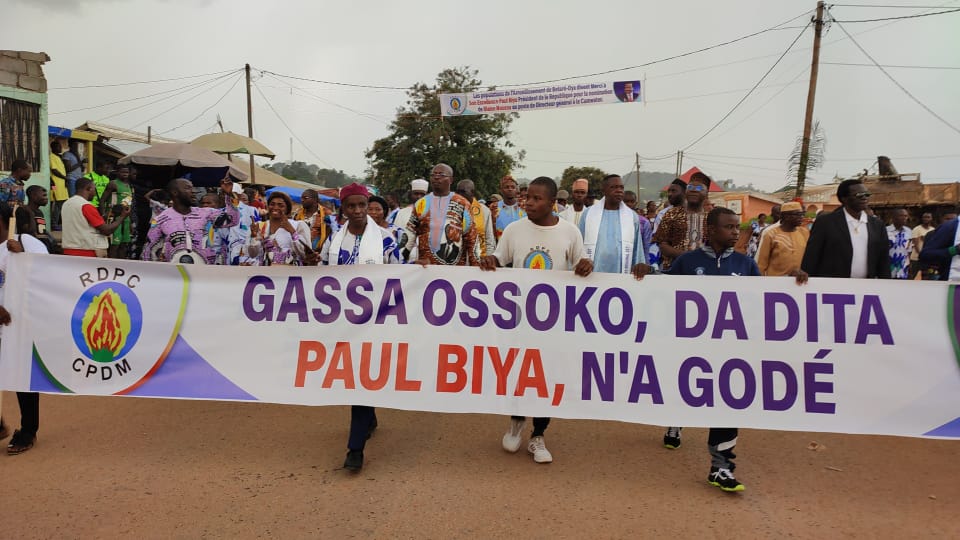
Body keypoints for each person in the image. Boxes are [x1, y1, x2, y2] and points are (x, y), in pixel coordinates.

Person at [633, 207, 804, 492]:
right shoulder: (688, 262)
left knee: (727, 402)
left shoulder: (745, 265)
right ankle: (676, 420)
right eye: (730, 227)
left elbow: (765, 300)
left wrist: (793, 282)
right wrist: (645, 273)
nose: (736, 232)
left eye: (737, 227)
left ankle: (721, 467)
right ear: (711, 230)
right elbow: (662, 291)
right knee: (686, 388)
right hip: (691, 347)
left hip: (729, 350)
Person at [479, 177, 593, 464]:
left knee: (548, 376)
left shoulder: (569, 232)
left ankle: (538, 435)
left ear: (552, 203)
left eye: (536, 198)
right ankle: (517, 421)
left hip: (554, 321)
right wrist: (490, 262)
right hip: (519, 319)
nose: (528, 202)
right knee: (519, 372)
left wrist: (586, 265)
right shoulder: (515, 230)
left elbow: (583, 265)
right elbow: (499, 259)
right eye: (527, 197)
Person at [0, 203, 48, 455]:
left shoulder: (25, 242)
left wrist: (23, 257)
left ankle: (28, 430)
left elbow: (48, 277)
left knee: (21, 377)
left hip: (21, 323)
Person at [801, 179, 891, 279]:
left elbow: (884, 260)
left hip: (866, 287)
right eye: (859, 195)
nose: (864, 198)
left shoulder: (877, 225)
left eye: (867, 194)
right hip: (833, 287)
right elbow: (812, 255)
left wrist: (886, 284)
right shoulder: (826, 222)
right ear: (844, 198)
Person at [142, 177, 239, 264]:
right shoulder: (160, 219)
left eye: (192, 188)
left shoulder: (207, 213)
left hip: (206, 274)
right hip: (175, 275)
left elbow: (232, 220)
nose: (193, 192)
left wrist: (229, 195)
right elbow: (149, 250)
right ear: (175, 193)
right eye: (188, 188)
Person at [404, 163, 478, 266]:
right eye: (433, 175)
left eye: (441, 175)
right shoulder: (421, 204)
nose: (436, 178)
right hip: (426, 269)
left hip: (455, 271)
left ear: (451, 180)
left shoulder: (462, 203)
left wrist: (476, 266)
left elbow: (471, 237)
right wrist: (400, 262)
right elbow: (410, 234)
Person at [579, 174, 649, 272]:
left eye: (621, 187)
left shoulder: (632, 216)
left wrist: (639, 265)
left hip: (620, 275)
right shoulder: (588, 214)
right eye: (614, 187)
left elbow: (637, 248)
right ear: (604, 190)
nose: (619, 190)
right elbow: (579, 244)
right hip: (593, 273)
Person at [653, 172, 712, 271]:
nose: (693, 190)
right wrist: (686, 256)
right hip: (675, 268)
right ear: (685, 192)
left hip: (705, 270)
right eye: (690, 187)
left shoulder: (712, 217)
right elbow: (662, 244)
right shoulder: (671, 213)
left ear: (706, 194)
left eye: (699, 188)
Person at [61, 177, 130, 258]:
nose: (95, 193)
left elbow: (83, 222)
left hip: (69, 249)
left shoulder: (67, 203)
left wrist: (110, 214)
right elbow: (107, 230)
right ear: (88, 189)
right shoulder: (86, 206)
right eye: (94, 189)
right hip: (87, 250)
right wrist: (122, 217)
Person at [247, 191, 313, 266]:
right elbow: (252, 254)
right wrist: (253, 237)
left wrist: (292, 231)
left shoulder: (298, 225)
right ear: (268, 206)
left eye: (280, 205)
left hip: (292, 274)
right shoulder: (261, 226)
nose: (275, 208)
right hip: (267, 274)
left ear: (287, 209)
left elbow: (306, 254)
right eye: (272, 204)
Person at [756, 202, 809, 277]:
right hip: (776, 283)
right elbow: (761, 264)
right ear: (786, 216)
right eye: (798, 214)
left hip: (799, 281)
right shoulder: (771, 234)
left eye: (802, 214)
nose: (801, 217)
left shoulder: (804, 232)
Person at [647, 178, 686, 270]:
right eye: (669, 191)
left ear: (685, 192)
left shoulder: (696, 213)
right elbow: (658, 241)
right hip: (670, 265)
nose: (669, 194)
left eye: (674, 191)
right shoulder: (664, 214)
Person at [99, 165, 135, 259]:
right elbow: (102, 200)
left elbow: (129, 204)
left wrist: (130, 222)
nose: (125, 174)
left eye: (126, 172)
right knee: (115, 244)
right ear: (117, 172)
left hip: (126, 219)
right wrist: (103, 215)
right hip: (114, 217)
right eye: (122, 172)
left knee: (124, 244)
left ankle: (121, 265)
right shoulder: (113, 184)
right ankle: (111, 266)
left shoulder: (130, 186)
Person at [456, 179, 496, 258]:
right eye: (458, 191)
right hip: (457, 259)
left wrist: (487, 259)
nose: (459, 195)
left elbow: (489, 239)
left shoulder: (484, 211)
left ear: (472, 192)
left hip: (479, 259)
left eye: (463, 192)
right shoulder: (452, 208)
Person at [918, 210, 960, 281]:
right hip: (953, 285)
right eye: (947, 219)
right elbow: (925, 255)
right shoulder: (949, 227)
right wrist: (955, 250)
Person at [367, 194, 407, 263]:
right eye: (370, 209)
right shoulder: (361, 231)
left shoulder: (397, 231)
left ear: (384, 211)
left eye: (378, 209)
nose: (373, 212)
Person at [21, 185, 54, 252]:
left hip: (41, 247)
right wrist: (31, 214)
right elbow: (30, 231)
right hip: (31, 248)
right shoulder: (22, 211)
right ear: (33, 196)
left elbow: (41, 232)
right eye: (44, 195)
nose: (46, 198)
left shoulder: (39, 212)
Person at [493, 175, 525, 240]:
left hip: (522, 245)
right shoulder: (494, 207)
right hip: (501, 245)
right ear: (501, 190)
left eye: (513, 187)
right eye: (506, 187)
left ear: (516, 190)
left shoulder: (524, 206)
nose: (510, 189)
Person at [886, 208, 913, 279]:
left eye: (906, 216)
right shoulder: (885, 231)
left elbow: (909, 250)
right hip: (888, 266)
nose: (904, 218)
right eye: (901, 215)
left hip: (902, 267)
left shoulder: (909, 231)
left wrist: (909, 264)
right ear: (894, 217)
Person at [49, 141, 69, 231]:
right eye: (58, 146)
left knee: (62, 204)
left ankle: (59, 223)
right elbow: (54, 170)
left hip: (62, 185)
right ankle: (54, 224)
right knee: (57, 204)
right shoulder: (52, 157)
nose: (60, 148)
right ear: (53, 148)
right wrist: (65, 177)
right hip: (56, 185)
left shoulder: (59, 157)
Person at [910, 212, 935, 279]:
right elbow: (915, 244)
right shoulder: (917, 229)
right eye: (924, 217)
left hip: (927, 258)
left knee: (926, 277)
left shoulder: (933, 229)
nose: (926, 219)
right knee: (914, 276)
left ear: (931, 218)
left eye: (928, 217)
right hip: (916, 258)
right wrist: (921, 254)